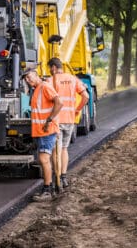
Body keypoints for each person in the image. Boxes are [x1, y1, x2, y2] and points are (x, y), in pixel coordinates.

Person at [46, 57, 89, 188]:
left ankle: (57, 177)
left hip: (56, 120)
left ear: (53, 67)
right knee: (64, 148)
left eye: (50, 68)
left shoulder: (50, 81)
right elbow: (86, 96)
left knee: (55, 150)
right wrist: (77, 110)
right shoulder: (73, 79)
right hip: (70, 120)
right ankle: (64, 177)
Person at [22, 67, 63, 201]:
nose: (28, 80)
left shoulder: (45, 86)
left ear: (35, 74)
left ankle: (47, 190)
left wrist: (49, 120)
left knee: (44, 159)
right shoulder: (37, 89)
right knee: (46, 159)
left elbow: (59, 103)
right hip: (41, 131)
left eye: (29, 77)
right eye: (26, 79)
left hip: (47, 130)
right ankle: (53, 186)